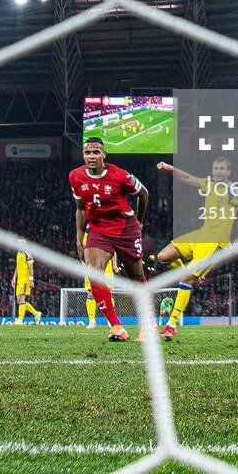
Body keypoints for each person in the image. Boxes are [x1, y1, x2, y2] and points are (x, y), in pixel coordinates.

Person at [69, 137, 148, 341]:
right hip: (98, 230)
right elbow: (80, 209)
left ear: (104, 154)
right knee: (94, 274)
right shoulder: (75, 177)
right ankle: (116, 327)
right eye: (87, 152)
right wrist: (79, 238)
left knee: (136, 278)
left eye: (96, 152)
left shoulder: (120, 176)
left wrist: (139, 222)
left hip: (125, 229)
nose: (91, 156)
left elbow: (144, 194)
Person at [153, 156, 238, 339]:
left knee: (185, 279)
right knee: (163, 256)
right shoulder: (208, 184)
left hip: (215, 243)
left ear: (229, 172)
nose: (218, 171)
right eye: (216, 168)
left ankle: (171, 324)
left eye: (222, 168)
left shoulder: (233, 191)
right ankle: (192, 275)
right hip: (200, 235)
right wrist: (170, 168)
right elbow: (188, 178)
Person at [12, 250, 42, 324]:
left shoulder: (28, 254)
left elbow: (31, 267)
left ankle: (20, 320)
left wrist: (31, 280)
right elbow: (18, 266)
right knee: (19, 300)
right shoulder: (18, 253)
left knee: (22, 299)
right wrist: (14, 278)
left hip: (25, 280)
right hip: (19, 280)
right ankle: (36, 313)